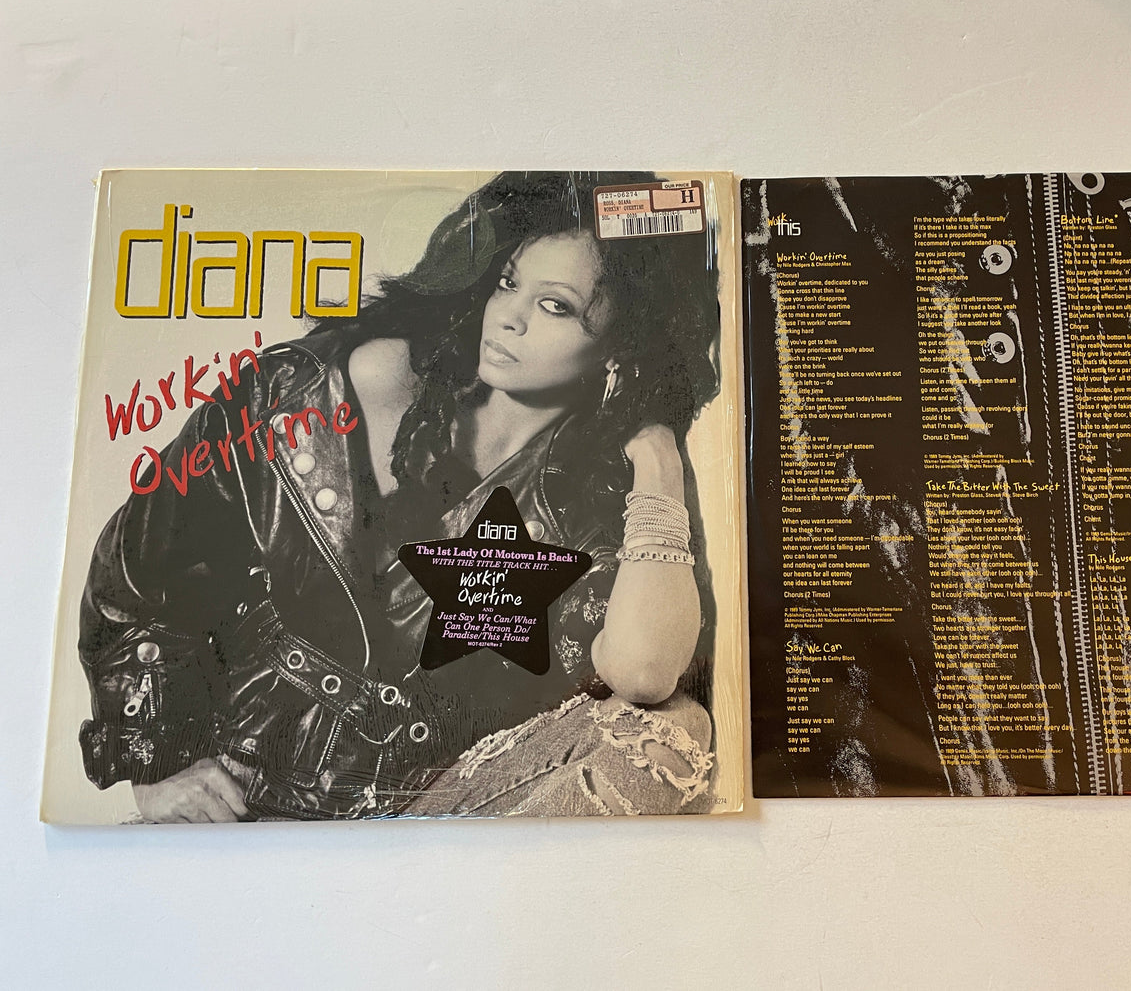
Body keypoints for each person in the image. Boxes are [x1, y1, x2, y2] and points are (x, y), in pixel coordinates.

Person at [78, 171, 722, 821]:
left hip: (434, 816)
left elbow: (643, 676)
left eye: (554, 305)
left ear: (622, 344)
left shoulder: (608, 480)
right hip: (253, 801)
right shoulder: (302, 393)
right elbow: (134, 575)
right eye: (507, 283)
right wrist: (153, 761)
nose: (509, 317)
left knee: (673, 733)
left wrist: (660, 462)